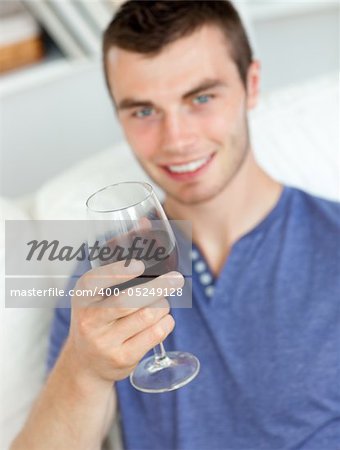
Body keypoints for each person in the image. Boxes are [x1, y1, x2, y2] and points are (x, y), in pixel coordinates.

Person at [11, 1, 340, 449]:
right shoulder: (106, 275)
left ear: (252, 85)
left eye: (201, 98)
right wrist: (83, 369)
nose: (177, 140)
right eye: (144, 111)